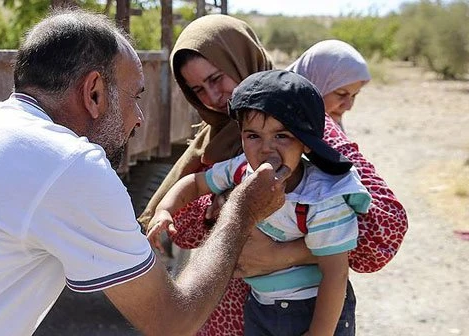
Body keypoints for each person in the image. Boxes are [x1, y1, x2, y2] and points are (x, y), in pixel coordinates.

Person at [0, 10, 291, 336]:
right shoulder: (68, 163)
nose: (139, 119)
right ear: (93, 93)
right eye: (134, 98)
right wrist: (241, 212)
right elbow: (173, 320)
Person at [139, 15, 408, 336]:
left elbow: (382, 236)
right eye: (197, 89)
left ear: (241, 59)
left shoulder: (300, 125)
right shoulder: (217, 138)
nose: (212, 97)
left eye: (217, 79)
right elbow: (183, 228)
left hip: (297, 315)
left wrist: (282, 253)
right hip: (232, 315)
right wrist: (229, 206)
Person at [148, 70, 371, 336]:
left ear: (307, 143)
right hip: (260, 306)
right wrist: (165, 210)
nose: (266, 148)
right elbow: (196, 182)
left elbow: (335, 275)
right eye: (253, 136)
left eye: (282, 136)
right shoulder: (241, 170)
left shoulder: (321, 197)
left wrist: (318, 333)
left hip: (313, 310)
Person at [286, 39, 371, 131]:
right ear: (314, 84)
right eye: (341, 93)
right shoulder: (276, 125)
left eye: (354, 95)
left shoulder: (329, 130)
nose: (348, 106)